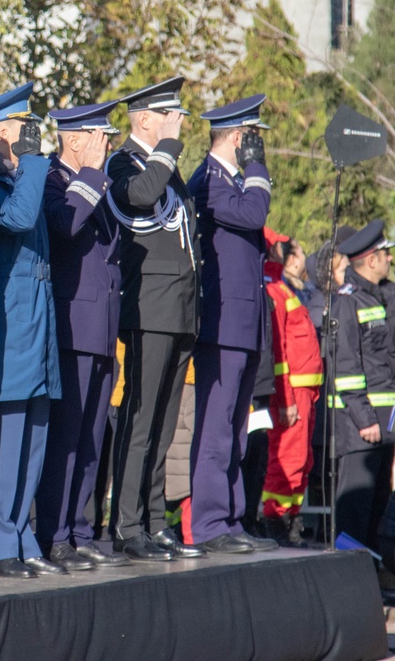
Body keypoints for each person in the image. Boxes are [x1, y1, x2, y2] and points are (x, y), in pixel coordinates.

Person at [0, 83, 65, 579]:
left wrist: (28, 164)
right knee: (6, 436)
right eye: (24, 128)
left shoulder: (17, 175)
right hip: (10, 322)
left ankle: (22, 535)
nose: (32, 135)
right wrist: (30, 161)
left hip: (37, 318)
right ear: (3, 133)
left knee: (35, 432)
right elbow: (22, 218)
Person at [34, 101, 130, 570]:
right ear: (73, 139)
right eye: (98, 135)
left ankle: (79, 529)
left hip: (103, 325)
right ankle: (52, 533)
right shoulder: (54, 178)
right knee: (66, 438)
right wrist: (91, 174)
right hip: (73, 326)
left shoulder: (98, 178)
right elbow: (65, 224)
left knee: (92, 436)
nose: (106, 143)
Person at [105, 76, 197, 562]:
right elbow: (140, 196)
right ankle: (127, 524)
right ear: (144, 119)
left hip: (178, 308)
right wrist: (167, 146)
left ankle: (155, 519)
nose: (177, 122)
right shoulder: (124, 161)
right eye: (169, 115)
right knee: (139, 422)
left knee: (163, 425)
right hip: (148, 308)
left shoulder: (166, 164)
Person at [188, 94, 276, 554]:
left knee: (236, 430)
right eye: (253, 138)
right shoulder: (208, 181)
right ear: (240, 138)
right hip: (222, 324)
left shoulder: (230, 181)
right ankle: (209, 524)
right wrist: (257, 169)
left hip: (244, 322)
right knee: (217, 427)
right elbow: (254, 214)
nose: (256, 147)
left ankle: (232, 519)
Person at [331, 220, 395, 553]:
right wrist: (365, 418)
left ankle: (372, 578)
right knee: (354, 516)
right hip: (361, 428)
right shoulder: (348, 302)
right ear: (371, 260)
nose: (389, 260)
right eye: (386, 254)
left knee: (376, 513)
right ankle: (346, 585)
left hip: (384, 424)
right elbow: (347, 369)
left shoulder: (380, 299)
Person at [263, 239, 323, 547]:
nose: (300, 255)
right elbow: (279, 353)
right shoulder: (275, 291)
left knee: (303, 459)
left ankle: (292, 519)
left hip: (305, 391)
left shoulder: (285, 289)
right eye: (294, 250)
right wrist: (284, 399)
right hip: (293, 392)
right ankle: (275, 519)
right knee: (287, 458)